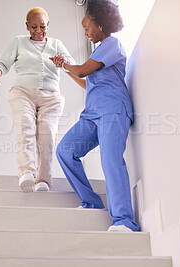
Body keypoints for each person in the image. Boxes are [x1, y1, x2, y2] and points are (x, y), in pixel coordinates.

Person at [50, 0, 140, 232]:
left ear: (100, 24)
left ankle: (123, 220)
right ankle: (91, 202)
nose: (86, 32)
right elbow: (85, 81)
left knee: (110, 161)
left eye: (87, 27)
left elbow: (81, 70)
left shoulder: (112, 44)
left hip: (113, 109)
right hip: (92, 113)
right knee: (65, 151)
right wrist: (66, 68)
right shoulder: (99, 52)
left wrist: (68, 65)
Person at [0, 7, 74, 192]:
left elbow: (71, 62)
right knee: (25, 127)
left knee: (47, 135)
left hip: (50, 96)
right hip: (23, 92)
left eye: (42, 26)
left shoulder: (56, 43)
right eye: (34, 26)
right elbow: (4, 62)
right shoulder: (18, 42)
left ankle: (43, 180)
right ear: (27, 26)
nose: (38, 30)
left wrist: (63, 61)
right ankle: (27, 172)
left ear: (48, 25)